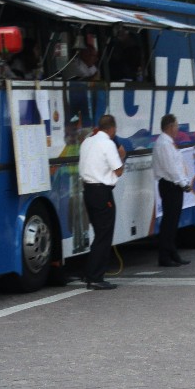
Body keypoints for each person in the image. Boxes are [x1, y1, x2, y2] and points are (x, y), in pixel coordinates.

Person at [80, 114, 125, 290]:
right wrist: (122, 157)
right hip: (102, 193)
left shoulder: (87, 142)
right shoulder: (108, 144)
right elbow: (118, 170)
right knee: (104, 235)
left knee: (99, 233)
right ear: (112, 128)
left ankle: (89, 272)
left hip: (88, 191)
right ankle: (95, 277)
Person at [152, 113, 192, 267]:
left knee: (173, 221)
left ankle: (172, 252)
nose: (177, 129)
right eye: (176, 126)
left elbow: (177, 165)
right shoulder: (164, 144)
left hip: (173, 185)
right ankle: (165, 256)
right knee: (169, 222)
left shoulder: (168, 142)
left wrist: (184, 181)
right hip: (170, 185)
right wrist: (183, 183)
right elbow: (171, 169)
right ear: (170, 127)